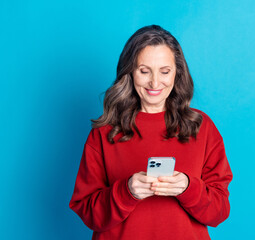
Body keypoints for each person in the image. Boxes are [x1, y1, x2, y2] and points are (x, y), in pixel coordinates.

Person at [69, 24, 233, 240]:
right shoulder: (105, 132)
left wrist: (188, 188)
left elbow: (219, 213)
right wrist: (126, 192)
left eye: (165, 71)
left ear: (177, 73)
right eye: (144, 71)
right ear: (130, 72)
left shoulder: (201, 127)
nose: (155, 82)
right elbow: (87, 212)